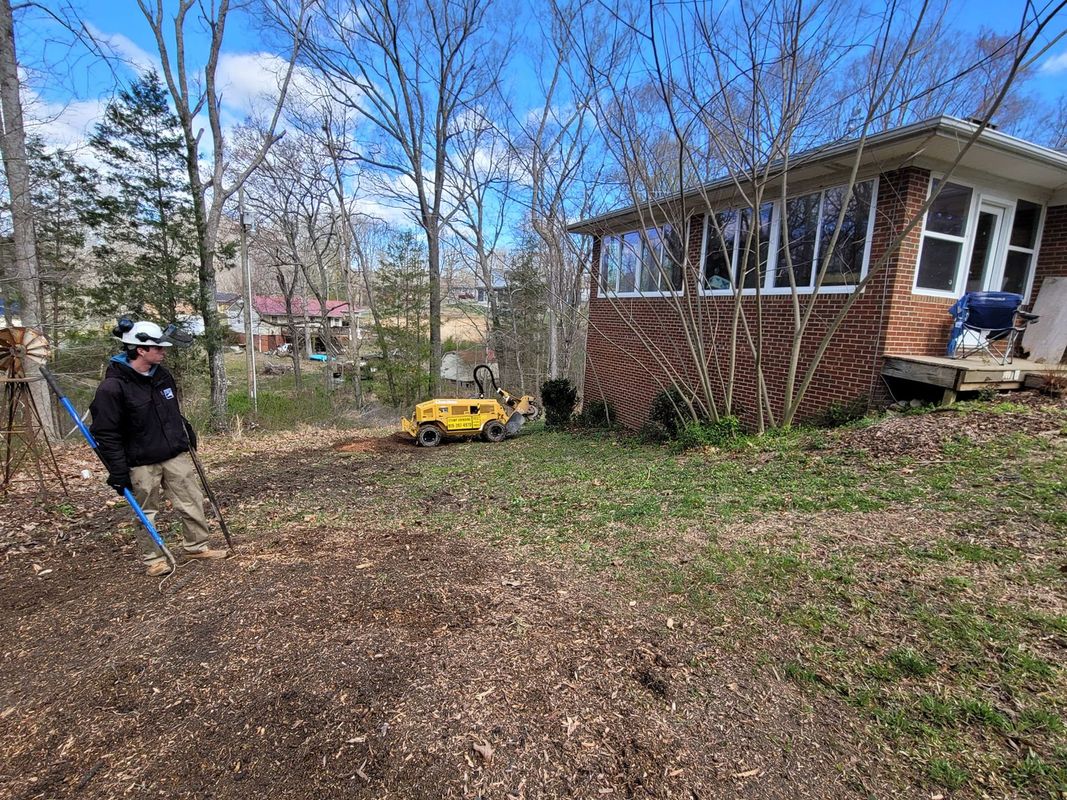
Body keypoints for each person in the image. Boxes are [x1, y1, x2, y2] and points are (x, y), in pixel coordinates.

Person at [89, 320, 228, 576]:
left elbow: (169, 409)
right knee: (146, 511)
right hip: (140, 461)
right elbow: (105, 433)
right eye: (158, 348)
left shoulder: (162, 375)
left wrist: (184, 428)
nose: (164, 352)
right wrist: (118, 469)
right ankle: (154, 559)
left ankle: (196, 547)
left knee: (192, 500)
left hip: (172, 452)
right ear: (140, 350)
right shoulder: (112, 388)